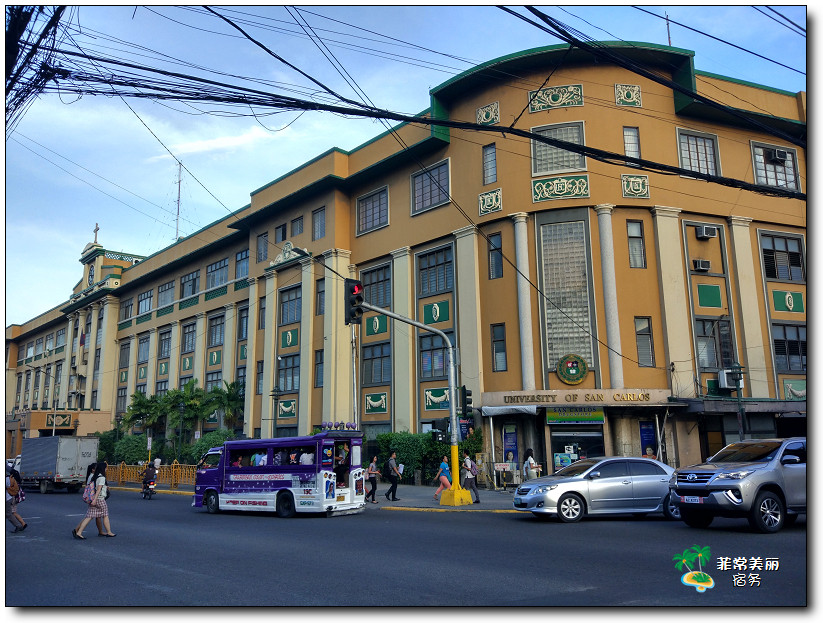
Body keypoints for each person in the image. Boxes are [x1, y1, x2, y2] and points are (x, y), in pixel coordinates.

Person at [73, 462, 115, 539]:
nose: (106, 469)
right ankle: (109, 532)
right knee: (105, 515)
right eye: (106, 468)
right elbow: (99, 489)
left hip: (92, 499)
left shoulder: (94, 476)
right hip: (99, 499)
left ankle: (79, 532)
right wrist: (95, 499)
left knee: (89, 516)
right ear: (103, 469)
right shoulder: (102, 477)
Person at [6, 465, 25, 533]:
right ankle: (20, 525)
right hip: (10, 497)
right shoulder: (10, 477)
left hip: (8, 498)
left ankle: (19, 525)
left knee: (10, 514)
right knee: (9, 513)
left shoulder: (8, 479)